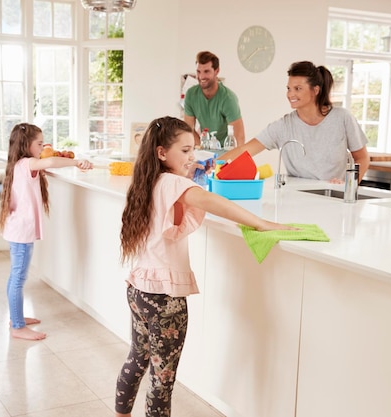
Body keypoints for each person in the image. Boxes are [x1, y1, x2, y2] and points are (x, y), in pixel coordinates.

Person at [114, 116, 295, 417]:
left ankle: (121, 414)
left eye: (193, 150)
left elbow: (181, 202)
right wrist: (261, 222)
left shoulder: (149, 180)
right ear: (162, 153)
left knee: (137, 358)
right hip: (165, 300)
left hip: (139, 290)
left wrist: (190, 173)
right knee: (162, 381)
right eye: (185, 151)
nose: (192, 157)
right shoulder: (173, 183)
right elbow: (211, 200)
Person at [0, 123, 92, 341]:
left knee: (16, 276)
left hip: (18, 229)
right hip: (21, 232)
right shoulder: (27, 163)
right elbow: (49, 161)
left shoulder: (20, 164)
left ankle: (16, 317)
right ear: (26, 144)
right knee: (18, 278)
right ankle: (17, 326)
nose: (43, 147)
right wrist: (78, 162)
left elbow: (47, 161)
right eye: (39, 143)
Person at [220, 61, 370, 182]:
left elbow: (362, 158)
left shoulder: (342, 118)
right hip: (297, 196)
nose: (290, 94)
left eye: (298, 88)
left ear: (315, 90)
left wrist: (348, 185)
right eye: (289, 88)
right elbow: (244, 151)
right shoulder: (283, 126)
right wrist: (210, 165)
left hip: (334, 195)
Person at [184, 51, 246, 148]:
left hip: (226, 149)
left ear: (216, 71)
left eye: (206, 71)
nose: (201, 77)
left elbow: (239, 138)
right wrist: (202, 146)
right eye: (198, 72)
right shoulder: (191, 95)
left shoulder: (228, 98)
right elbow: (188, 129)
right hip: (206, 147)